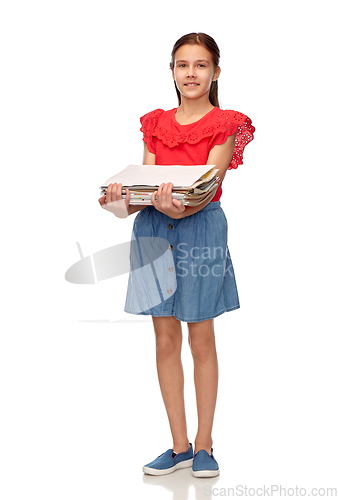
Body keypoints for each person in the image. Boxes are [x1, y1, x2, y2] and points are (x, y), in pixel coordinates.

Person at [98, 32, 255, 478]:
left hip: (200, 230)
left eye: (201, 65)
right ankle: (179, 446)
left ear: (215, 72)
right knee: (164, 339)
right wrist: (120, 200)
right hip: (152, 230)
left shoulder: (226, 123)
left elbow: (206, 188)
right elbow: (147, 186)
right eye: (182, 65)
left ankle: (205, 445)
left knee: (200, 336)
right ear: (171, 71)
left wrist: (177, 204)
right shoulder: (155, 123)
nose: (191, 73)